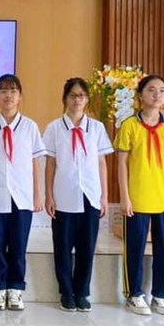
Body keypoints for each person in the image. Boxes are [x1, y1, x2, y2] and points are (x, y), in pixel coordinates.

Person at [114, 74, 164, 316]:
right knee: (135, 248)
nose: (157, 94)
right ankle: (134, 294)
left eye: (162, 90)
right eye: (151, 90)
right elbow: (121, 164)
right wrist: (125, 196)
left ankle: (161, 295)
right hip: (138, 198)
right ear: (140, 95)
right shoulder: (129, 126)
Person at [0, 74, 45, 311]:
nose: (8, 95)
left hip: (22, 196)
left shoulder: (30, 127)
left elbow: (35, 163)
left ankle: (15, 288)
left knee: (18, 244)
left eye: (13, 91)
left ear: (20, 96)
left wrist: (38, 194)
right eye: (3, 91)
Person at [43, 78, 113, 313]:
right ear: (65, 99)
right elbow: (50, 164)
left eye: (81, 95)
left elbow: (101, 162)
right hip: (64, 194)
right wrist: (49, 195)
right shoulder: (54, 128)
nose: (77, 100)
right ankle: (66, 292)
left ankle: (82, 291)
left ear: (87, 99)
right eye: (73, 95)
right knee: (62, 246)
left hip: (90, 194)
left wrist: (104, 196)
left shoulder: (96, 128)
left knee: (86, 246)